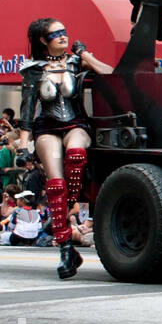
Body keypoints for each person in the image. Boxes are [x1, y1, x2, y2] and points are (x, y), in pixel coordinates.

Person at [16, 19, 114, 279]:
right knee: (55, 184)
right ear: (42, 40)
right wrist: (23, 145)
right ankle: (66, 249)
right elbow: (27, 112)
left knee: (76, 154)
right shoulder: (33, 70)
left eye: (64, 32)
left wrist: (85, 55)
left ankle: (65, 208)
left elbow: (110, 74)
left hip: (76, 123)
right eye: (55, 34)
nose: (63, 36)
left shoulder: (75, 61)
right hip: (45, 126)